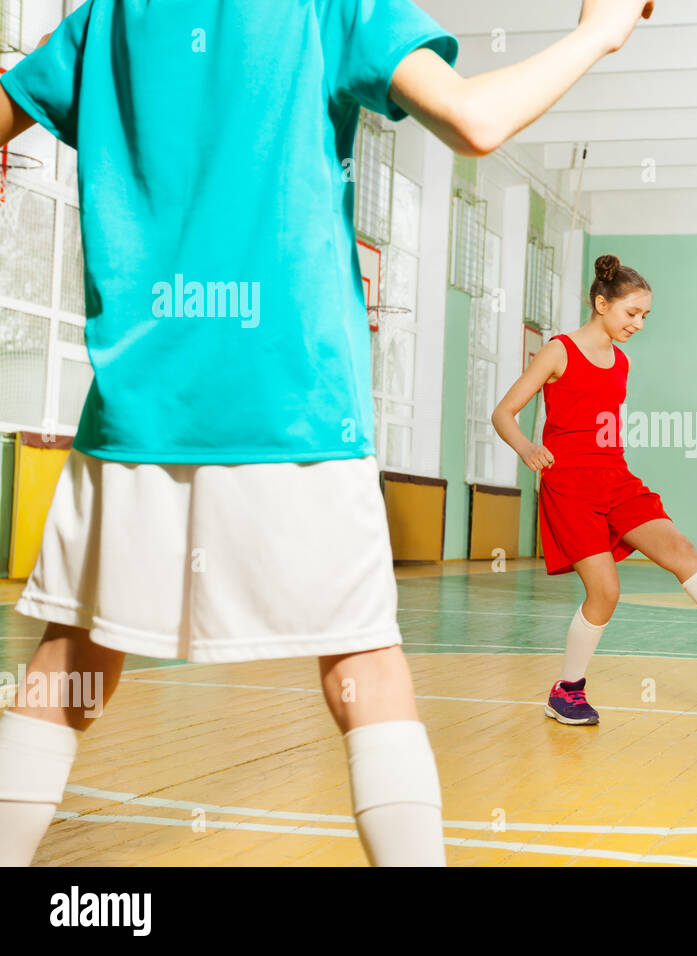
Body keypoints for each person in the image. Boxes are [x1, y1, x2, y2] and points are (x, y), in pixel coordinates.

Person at [0, 0, 656, 868]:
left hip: (138, 411)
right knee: (365, 672)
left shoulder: (105, 18)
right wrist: (597, 31)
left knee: (69, 666)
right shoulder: (325, 9)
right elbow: (475, 119)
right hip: (295, 404)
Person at [491, 255, 697, 726]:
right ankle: (567, 690)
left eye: (645, 316)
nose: (639, 323)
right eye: (632, 313)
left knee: (678, 547)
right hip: (570, 487)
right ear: (601, 304)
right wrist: (526, 447)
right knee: (605, 592)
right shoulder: (558, 351)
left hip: (616, 478)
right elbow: (504, 412)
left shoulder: (621, 362)